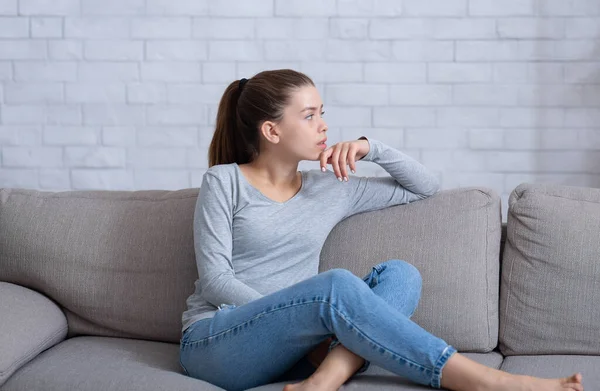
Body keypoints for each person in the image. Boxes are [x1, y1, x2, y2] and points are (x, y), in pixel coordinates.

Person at [178, 69, 584, 391]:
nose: (323, 125)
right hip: (218, 341)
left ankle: (324, 381)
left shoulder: (330, 187)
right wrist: (298, 315)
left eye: (322, 112)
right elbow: (215, 281)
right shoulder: (224, 181)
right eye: (309, 116)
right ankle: (487, 381)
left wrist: (370, 148)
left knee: (401, 274)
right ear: (272, 131)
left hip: (295, 349)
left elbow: (425, 186)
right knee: (334, 285)